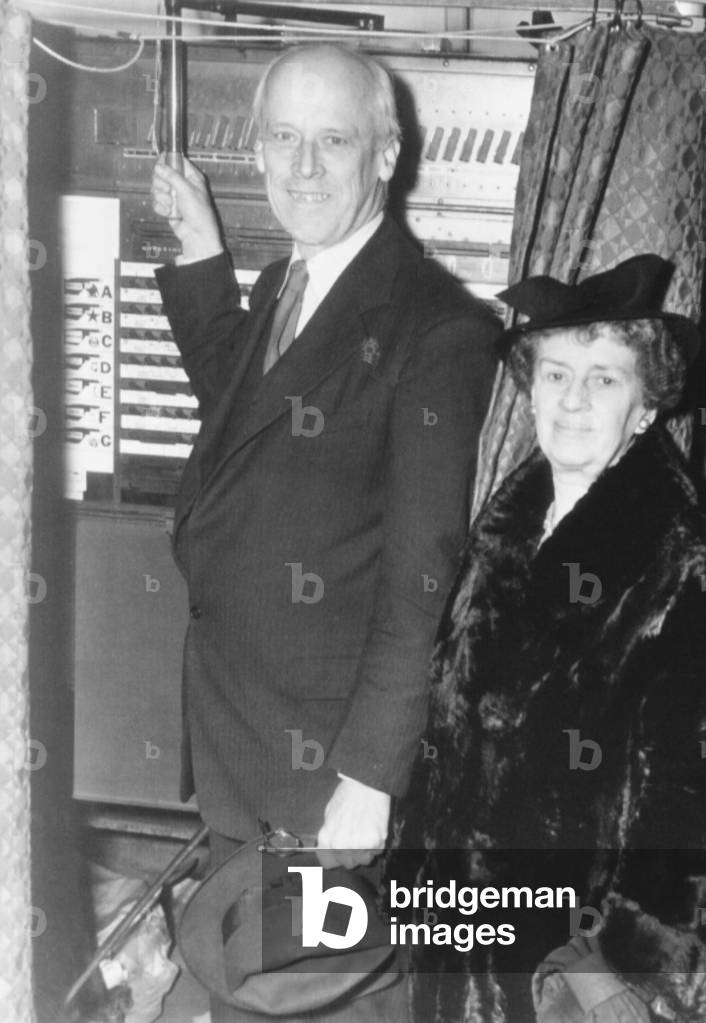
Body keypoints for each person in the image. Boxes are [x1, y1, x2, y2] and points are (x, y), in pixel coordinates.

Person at [151, 37, 497, 915]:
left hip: (323, 766)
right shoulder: (282, 281)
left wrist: (372, 775)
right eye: (282, 138)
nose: (302, 166)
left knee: (312, 1000)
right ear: (259, 148)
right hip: (242, 732)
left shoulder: (436, 327)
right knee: (249, 988)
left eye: (333, 141)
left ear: (386, 154)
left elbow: (425, 569)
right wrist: (202, 251)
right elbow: (249, 414)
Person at [387, 255, 706, 1023]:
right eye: (556, 372)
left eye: (604, 378)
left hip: (562, 971)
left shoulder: (701, 568)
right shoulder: (504, 532)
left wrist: (626, 980)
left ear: (647, 405)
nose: (572, 399)